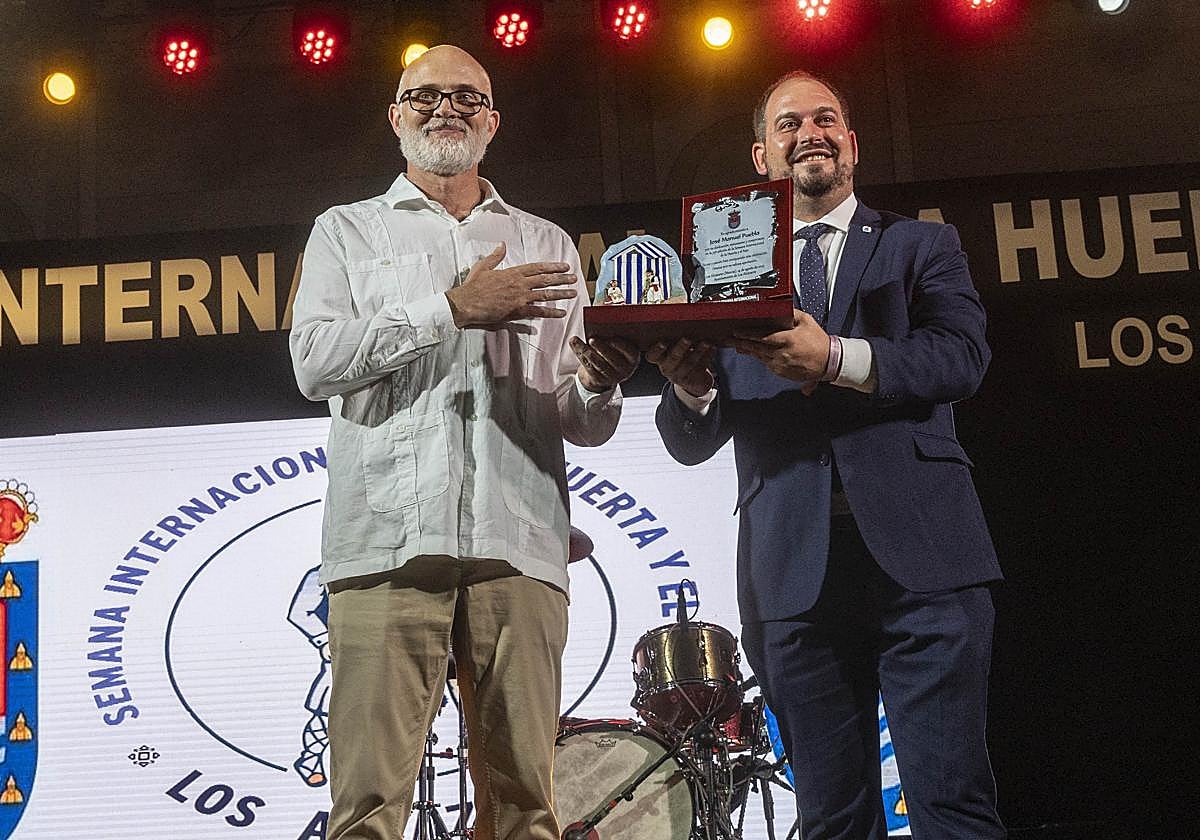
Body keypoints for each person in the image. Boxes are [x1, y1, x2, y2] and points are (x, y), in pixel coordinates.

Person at [289, 45, 638, 840]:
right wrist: (453, 308)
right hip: (385, 546)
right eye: (424, 96)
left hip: (518, 545)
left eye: (466, 98)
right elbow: (314, 364)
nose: (445, 108)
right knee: (368, 806)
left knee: (525, 808)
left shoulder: (546, 243)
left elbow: (580, 421)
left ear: (493, 123)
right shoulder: (345, 232)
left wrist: (601, 380)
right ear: (394, 116)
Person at [650, 70, 1005, 839]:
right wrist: (689, 388)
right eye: (788, 123)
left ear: (851, 144)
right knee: (831, 818)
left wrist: (837, 357)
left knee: (952, 805)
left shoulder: (922, 244)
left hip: (925, 565)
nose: (808, 131)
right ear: (761, 155)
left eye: (825, 119)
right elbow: (687, 444)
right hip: (790, 576)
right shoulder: (719, 276)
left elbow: (960, 359)